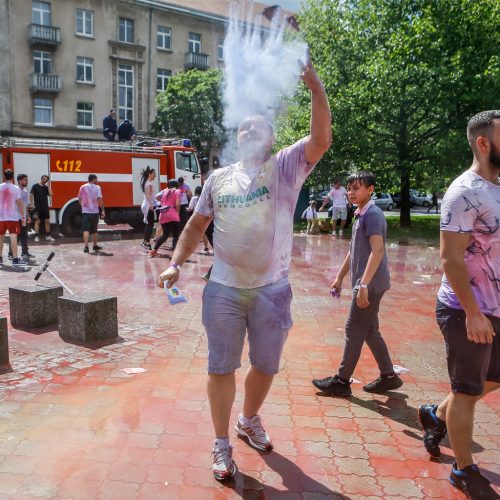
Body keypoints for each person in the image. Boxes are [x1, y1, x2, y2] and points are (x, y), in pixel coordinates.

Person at [156, 49, 331, 481]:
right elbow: (197, 224)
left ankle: (248, 419)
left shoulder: (287, 166)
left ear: (271, 137)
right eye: (242, 127)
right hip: (225, 288)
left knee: (267, 366)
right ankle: (221, 443)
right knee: (220, 366)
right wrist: (176, 262)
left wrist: (316, 88)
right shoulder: (219, 178)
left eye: (257, 125)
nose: (249, 129)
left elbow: (321, 140)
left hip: (272, 289)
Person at [418, 110, 500, 500]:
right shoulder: (463, 191)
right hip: (466, 308)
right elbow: (450, 258)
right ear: (483, 143)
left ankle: (435, 415)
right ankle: (463, 470)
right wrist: (472, 312)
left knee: (493, 378)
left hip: (495, 308)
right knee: (467, 390)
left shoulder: (498, 187)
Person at [312, 171, 403, 397]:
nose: (351, 193)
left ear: (370, 189)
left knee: (354, 329)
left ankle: (341, 382)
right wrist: (339, 277)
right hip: (368, 282)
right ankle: (389, 376)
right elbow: (354, 251)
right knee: (370, 330)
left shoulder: (372, 215)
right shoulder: (361, 214)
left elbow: (378, 250)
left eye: (357, 188)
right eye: (350, 188)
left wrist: (363, 286)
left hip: (369, 284)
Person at [0, 169, 27, 266]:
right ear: (12, 177)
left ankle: (0, 259)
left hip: (1, 217)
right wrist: (23, 217)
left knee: (1, 238)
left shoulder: (0, 187)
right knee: (13, 238)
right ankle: (15, 260)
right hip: (12, 217)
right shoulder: (15, 188)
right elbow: (19, 204)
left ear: (4, 176)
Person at [149, 179, 181, 257]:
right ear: (176, 185)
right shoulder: (177, 191)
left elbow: (158, 197)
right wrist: (177, 213)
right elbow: (177, 204)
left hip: (163, 214)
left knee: (165, 235)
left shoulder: (165, 192)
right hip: (172, 213)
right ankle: (174, 253)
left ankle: (153, 251)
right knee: (176, 235)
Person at [8, 174, 33, 259]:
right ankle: (10, 254)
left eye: (27, 179)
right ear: (20, 181)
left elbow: (25, 205)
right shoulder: (16, 190)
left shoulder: (25, 192)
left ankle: (24, 252)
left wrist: (28, 215)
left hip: (23, 218)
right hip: (16, 218)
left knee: (24, 235)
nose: (27, 181)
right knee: (15, 236)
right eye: (25, 180)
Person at [78, 174, 105, 253]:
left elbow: (79, 199)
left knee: (85, 229)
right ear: (93, 179)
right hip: (95, 212)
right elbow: (100, 199)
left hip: (86, 212)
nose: (97, 181)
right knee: (94, 230)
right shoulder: (97, 187)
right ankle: (95, 246)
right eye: (96, 179)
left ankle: (86, 247)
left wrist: (83, 207)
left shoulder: (82, 187)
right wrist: (103, 210)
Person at [188, 186, 212, 255]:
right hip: (206, 217)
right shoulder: (206, 198)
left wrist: (187, 209)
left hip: (197, 217)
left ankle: (191, 248)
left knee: (195, 233)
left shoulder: (194, 198)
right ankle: (206, 247)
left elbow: (190, 208)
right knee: (205, 233)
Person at [30, 174, 54, 242]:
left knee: (47, 221)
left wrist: (49, 186)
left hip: (45, 207)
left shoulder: (46, 187)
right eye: (44, 179)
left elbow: (51, 194)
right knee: (38, 221)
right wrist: (32, 204)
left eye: (46, 180)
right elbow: (31, 194)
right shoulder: (35, 186)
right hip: (37, 207)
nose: (44, 180)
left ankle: (48, 236)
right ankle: (36, 236)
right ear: (41, 179)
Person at [140, 167, 157, 251]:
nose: (155, 176)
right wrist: (151, 204)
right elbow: (147, 195)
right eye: (154, 174)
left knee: (149, 224)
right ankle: (146, 242)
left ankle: (146, 241)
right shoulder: (148, 184)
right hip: (148, 205)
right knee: (150, 224)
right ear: (150, 174)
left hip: (147, 204)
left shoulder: (147, 182)